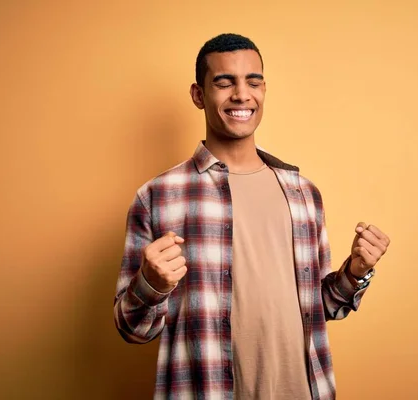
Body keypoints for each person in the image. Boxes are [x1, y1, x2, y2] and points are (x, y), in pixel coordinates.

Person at [114, 33, 390, 400]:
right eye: (224, 82)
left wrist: (356, 273)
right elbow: (132, 328)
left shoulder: (303, 194)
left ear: (263, 90)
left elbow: (321, 308)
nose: (241, 94)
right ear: (199, 95)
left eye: (253, 81)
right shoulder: (158, 197)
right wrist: (151, 283)